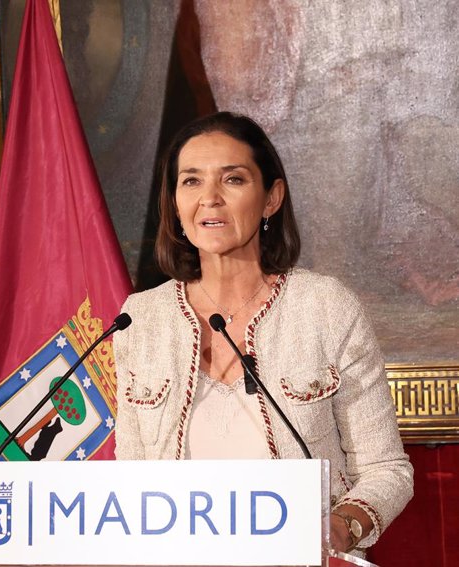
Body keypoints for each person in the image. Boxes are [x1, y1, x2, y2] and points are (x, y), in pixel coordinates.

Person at [113, 112, 413, 557]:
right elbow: (131, 478)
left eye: (232, 180)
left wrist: (345, 524)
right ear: (175, 202)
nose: (209, 199)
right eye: (191, 182)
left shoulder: (325, 308)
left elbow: (386, 468)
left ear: (271, 198)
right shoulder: (140, 319)